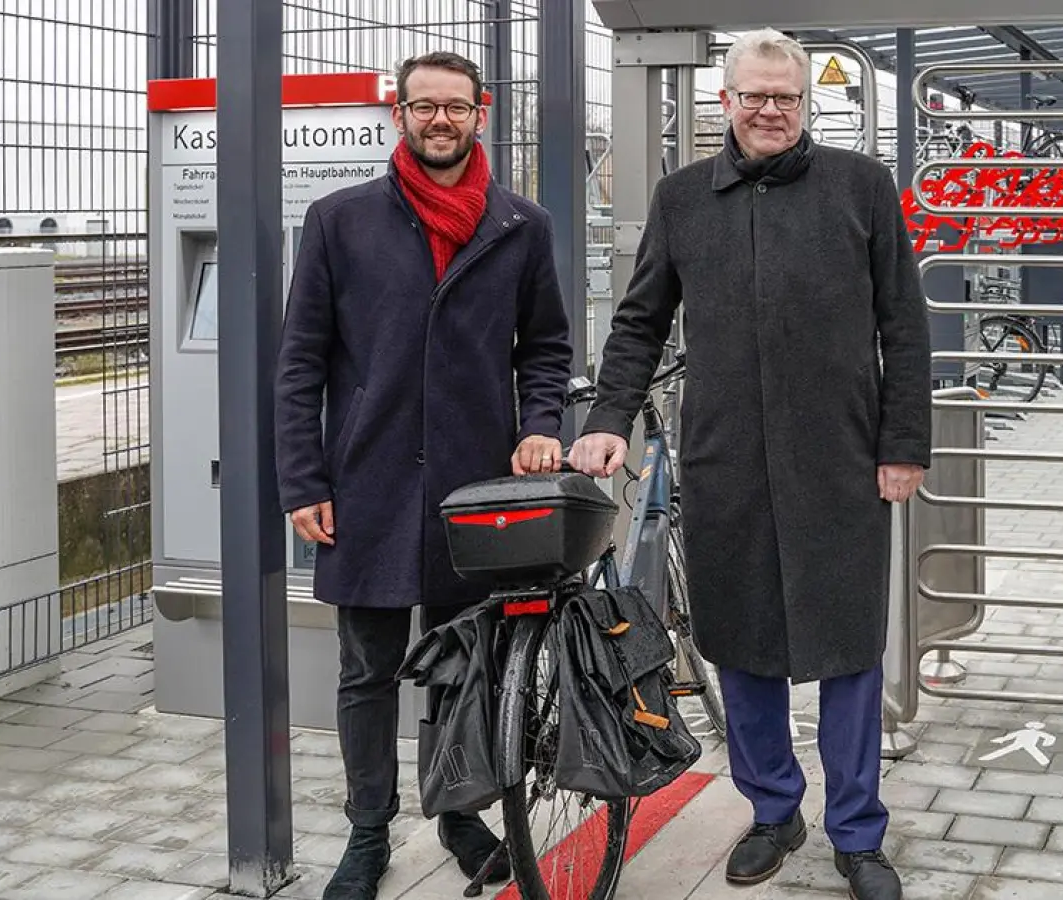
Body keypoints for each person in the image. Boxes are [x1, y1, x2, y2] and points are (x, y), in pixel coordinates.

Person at [568, 27, 930, 900]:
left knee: (848, 648)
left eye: (788, 96)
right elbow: (639, 321)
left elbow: (904, 324)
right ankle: (773, 810)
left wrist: (903, 444)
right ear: (723, 101)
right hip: (727, 456)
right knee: (743, 643)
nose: (771, 110)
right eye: (755, 95)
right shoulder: (686, 197)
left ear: (807, 103)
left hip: (841, 455)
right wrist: (611, 416)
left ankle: (857, 832)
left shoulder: (862, 187)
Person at [275, 50, 574, 900]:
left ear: (482, 114)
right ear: (397, 114)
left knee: (463, 666)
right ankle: (368, 834)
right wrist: (303, 481)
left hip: (473, 490)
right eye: (423, 107)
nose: (439, 120)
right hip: (364, 484)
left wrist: (540, 428)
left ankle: (456, 813)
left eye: (456, 107)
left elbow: (546, 349)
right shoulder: (340, 221)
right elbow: (300, 365)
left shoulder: (521, 226)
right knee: (367, 672)